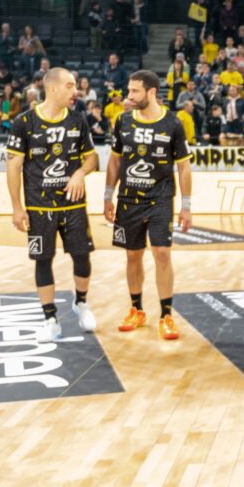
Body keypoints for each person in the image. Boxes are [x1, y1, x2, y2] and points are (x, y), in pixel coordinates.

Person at [6, 68, 98, 341]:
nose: (76, 91)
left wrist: (81, 172)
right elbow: (14, 166)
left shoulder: (78, 120)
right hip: (38, 207)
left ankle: (81, 302)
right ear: (54, 88)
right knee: (43, 260)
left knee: (82, 257)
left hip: (73, 206)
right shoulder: (24, 122)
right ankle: (50, 319)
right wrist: (17, 207)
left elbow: (92, 159)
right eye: (70, 86)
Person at [104, 70, 194, 341]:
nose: (128, 96)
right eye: (128, 90)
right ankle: (137, 309)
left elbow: (184, 167)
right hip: (128, 200)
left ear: (152, 92)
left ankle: (166, 315)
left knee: (162, 253)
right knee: (132, 256)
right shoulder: (122, 121)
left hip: (161, 198)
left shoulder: (173, 124)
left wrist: (186, 206)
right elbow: (114, 161)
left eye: (134, 91)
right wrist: (108, 195)